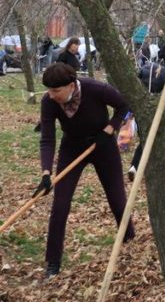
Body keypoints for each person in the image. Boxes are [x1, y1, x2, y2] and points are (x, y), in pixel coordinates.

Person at [34, 63, 135, 277]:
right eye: (49, 91)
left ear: (71, 86)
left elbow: (124, 104)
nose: (51, 96)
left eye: (56, 91)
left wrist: (109, 129)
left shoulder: (95, 89)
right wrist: (45, 173)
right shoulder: (49, 102)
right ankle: (53, 262)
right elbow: (47, 138)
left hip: (103, 145)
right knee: (60, 205)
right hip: (72, 147)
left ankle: (129, 240)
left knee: (117, 200)